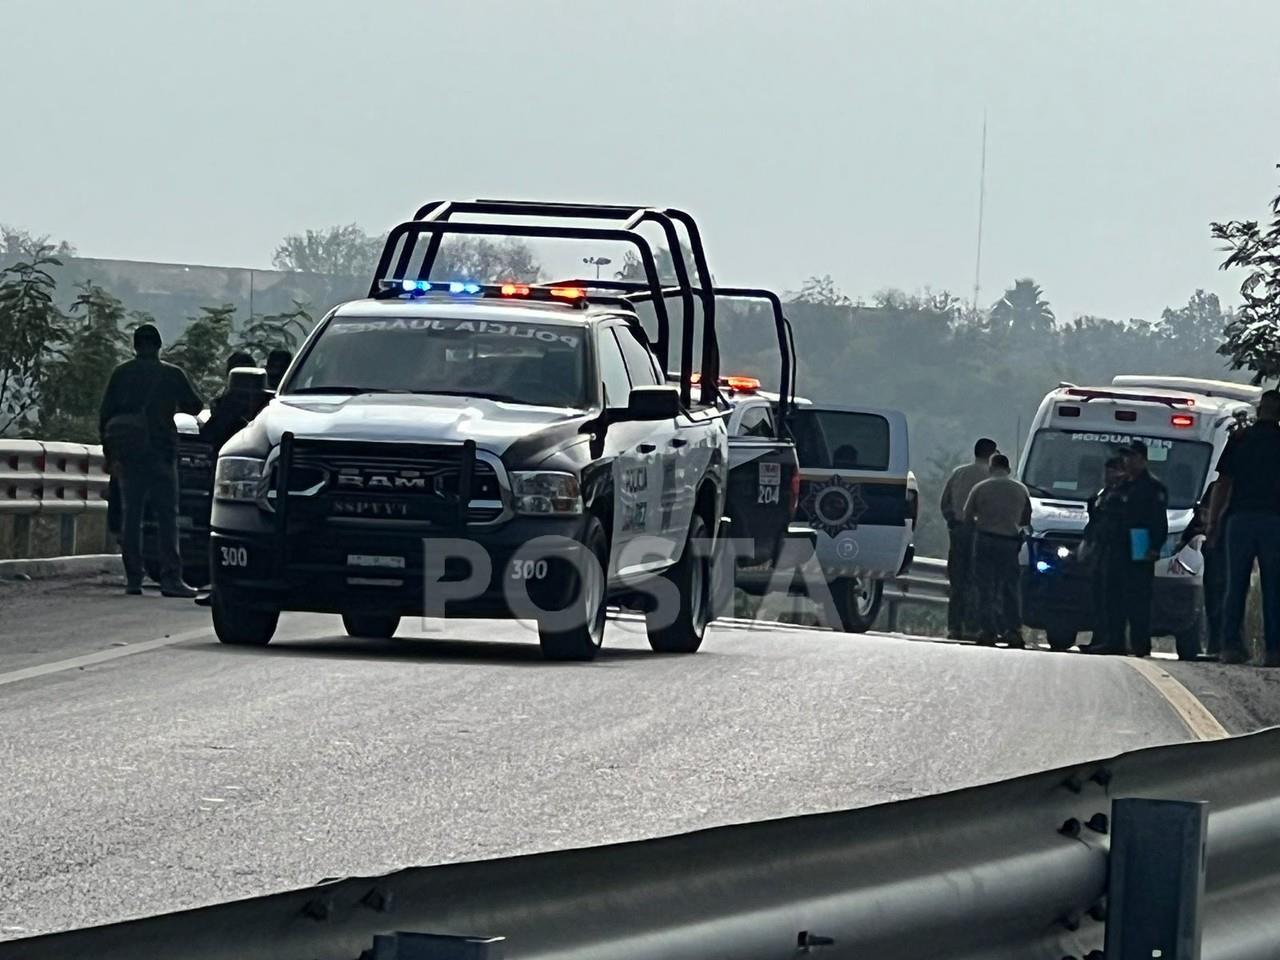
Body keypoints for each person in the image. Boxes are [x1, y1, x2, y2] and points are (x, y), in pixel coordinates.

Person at [99, 324, 204, 597]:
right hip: (162, 453)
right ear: (159, 346)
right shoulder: (171, 374)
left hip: (129, 456)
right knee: (168, 517)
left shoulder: (121, 374)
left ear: (135, 346)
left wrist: (110, 455)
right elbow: (194, 406)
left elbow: (104, 416)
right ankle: (171, 579)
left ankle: (134, 579)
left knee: (131, 516)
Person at [1208, 389, 1280, 666]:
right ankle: (1274, 650)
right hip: (1274, 519)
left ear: (1260, 410)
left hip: (1240, 518)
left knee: (1235, 585)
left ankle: (1230, 646)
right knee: (1274, 586)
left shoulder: (1241, 440)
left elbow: (1223, 484)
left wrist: (1213, 522)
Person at [1097, 441, 1168, 658]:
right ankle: (1113, 640)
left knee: (1138, 598)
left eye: (1132, 456)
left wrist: (1155, 547)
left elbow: (1158, 521)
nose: (1127, 461)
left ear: (1143, 459)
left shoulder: (1153, 487)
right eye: (1125, 457)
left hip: (1139, 546)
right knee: (1112, 596)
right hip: (1115, 546)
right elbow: (1103, 509)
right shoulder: (1120, 486)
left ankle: (1140, 643)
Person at [963, 453, 1031, 647]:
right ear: (1008, 469)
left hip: (985, 539)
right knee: (1010, 587)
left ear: (991, 468)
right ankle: (1013, 631)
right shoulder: (1020, 489)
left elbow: (968, 516)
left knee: (985, 587)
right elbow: (1026, 518)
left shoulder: (981, 488)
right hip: (1009, 542)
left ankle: (988, 631)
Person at [940, 438, 997, 639]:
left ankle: (954, 627)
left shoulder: (959, 473)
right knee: (978, 581)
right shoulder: (992, 477)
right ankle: (974, 627)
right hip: (982, 533)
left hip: (958, 532)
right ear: (991, 454)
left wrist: (953, 523)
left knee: (957, 582)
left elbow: (945, 502)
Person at [1082, 456, 1128, 653]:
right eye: (1108, 471)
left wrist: (1143, 553)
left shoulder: (1126, 494)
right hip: (1100, 551)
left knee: (1115, 599)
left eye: (1115, 470)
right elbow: (1094, 525)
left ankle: (1116, 640)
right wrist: (1087, 545)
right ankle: (1099, 637)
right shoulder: (1102, 495)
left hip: (1119, 552)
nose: (1110, 475)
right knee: (1098, 597)